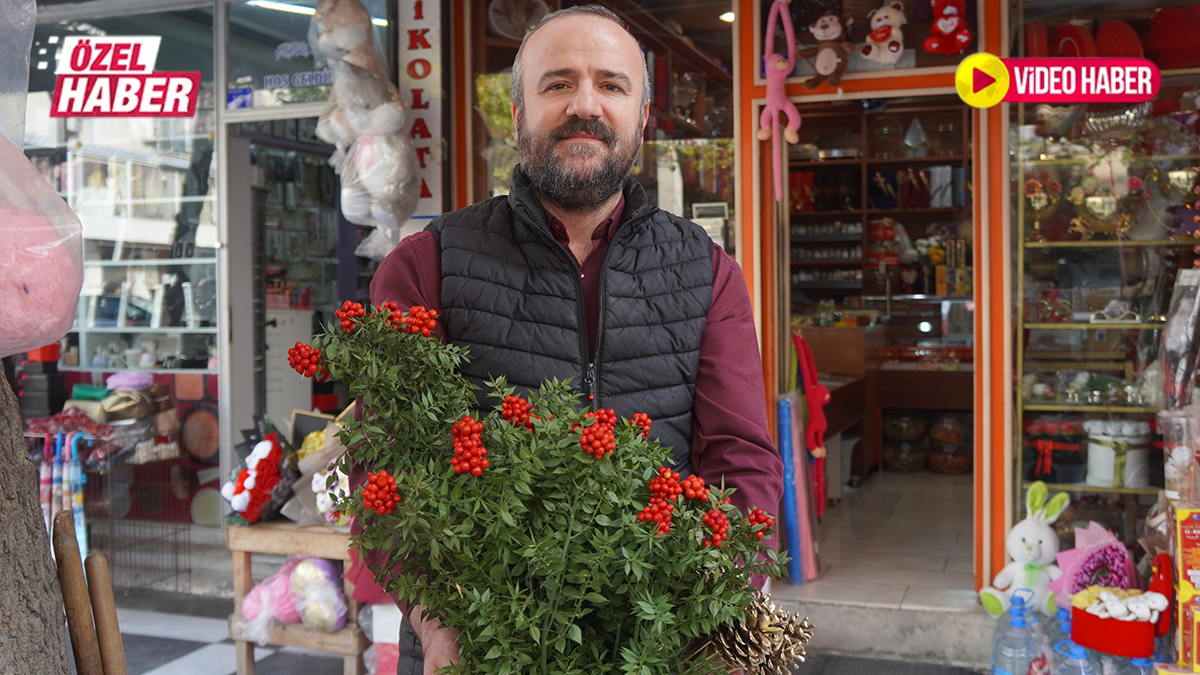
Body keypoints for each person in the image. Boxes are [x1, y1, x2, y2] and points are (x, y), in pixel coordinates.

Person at [361, 5, 783, 673]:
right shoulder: (425, 265)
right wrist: (437, 620)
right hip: (479, 639)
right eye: (557, 83)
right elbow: (385, 462)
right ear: (517, 114)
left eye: (611, 85)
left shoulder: (707, 272)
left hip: (659, 638)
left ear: (643, 115)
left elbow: (741, 459)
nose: (584, 104)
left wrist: (729, 596)